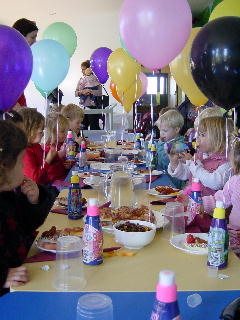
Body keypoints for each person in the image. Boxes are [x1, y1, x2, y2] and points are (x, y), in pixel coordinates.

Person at [0, 121, 52, 295]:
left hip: (26, 268)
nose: (24, 167)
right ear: (4, 166)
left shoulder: (7, 194)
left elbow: (26, 225)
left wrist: (33, 200)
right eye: (21, 161)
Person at [168, 117, 234, 197]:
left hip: (211, 207)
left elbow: (215, 183)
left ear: (218, 139)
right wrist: (174, 163)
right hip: (192, 202)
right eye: (198, 134)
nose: (197, 139)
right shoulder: (200, 154)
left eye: (202, 135)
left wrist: (193, 162)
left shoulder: (227, 162)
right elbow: (186, 174)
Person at [18, 109, 68, 186]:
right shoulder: (26, 152)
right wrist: (48, 160)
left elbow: (48, 161)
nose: (43, 134)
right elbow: (36, 178)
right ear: (29, 131)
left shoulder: (36, 146)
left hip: (45, 184)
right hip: (38, 189)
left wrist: (57, 155)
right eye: (41, 132)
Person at [155, 109, 186, 189]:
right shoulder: (168, 142)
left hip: (175, 183)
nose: (161, 133)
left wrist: (160, 144)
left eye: (165, 130)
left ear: (176, 130)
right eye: (160, 130)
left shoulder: (179, 145)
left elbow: (164, 160)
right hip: (167, 178)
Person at [12, 18, 38, 109]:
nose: (35, 41)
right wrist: (18, 108)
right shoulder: (8, 57)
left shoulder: (21, 58)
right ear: (21, 36)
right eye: (32, 37)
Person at [75, 60, 102, 130]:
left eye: (83, 69)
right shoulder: (81, 80)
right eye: (82, 70)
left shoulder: (95, 79)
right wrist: (82, 92)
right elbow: (76, 93)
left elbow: (99, 93)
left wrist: (91, 91)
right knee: (83, 128)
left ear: (89, 69)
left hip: (93, 107)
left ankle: (96, 141)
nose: (82, 71)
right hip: (83, 108)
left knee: (94, 127)